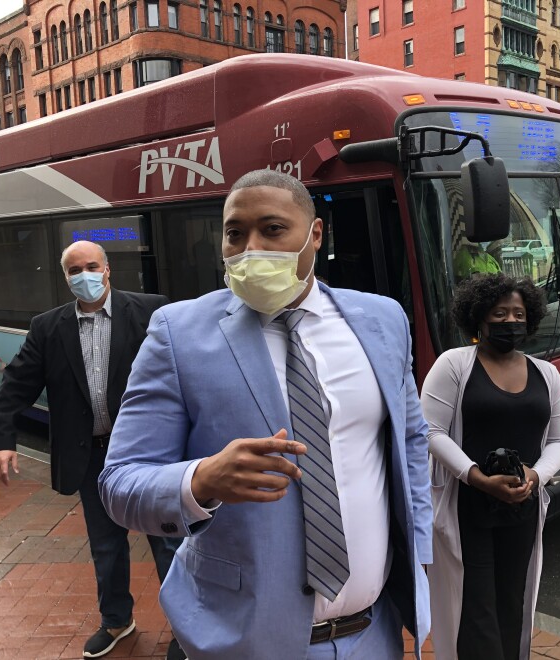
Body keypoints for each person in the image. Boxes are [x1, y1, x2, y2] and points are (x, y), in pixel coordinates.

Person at [98, 169, 433, 660]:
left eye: (272, 229)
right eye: (235, 233)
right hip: (245, 642)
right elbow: (119, 482)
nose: (250, 248)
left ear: (315, 235)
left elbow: (411, 440)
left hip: (373, 635)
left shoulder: (382, 320)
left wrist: (419, 551)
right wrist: (201, 479)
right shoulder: (178, 334)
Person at [0, 241, 184, 660]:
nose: (84, 275)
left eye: (91, 266)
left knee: (167, 543)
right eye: (74, 270)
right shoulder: (48, 327)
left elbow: (182, 371)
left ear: (108, 269)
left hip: (147, 453)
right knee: (105, 545)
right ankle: (116, 620)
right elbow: (15, 386)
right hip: (92, 457)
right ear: (66, 277)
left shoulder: (150, 311)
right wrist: (2, 440)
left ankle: (186, 627)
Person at [420, 273, 560, 660]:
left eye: (518, 314)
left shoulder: (547, 373)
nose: (509, 322)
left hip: (522, 507)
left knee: (513, 601)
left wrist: (535, 477)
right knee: (475, 609)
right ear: (479, 318)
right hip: (466, 509)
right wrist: (477, 477)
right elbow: (431, 430)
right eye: (499, 313)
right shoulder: (454, 365)